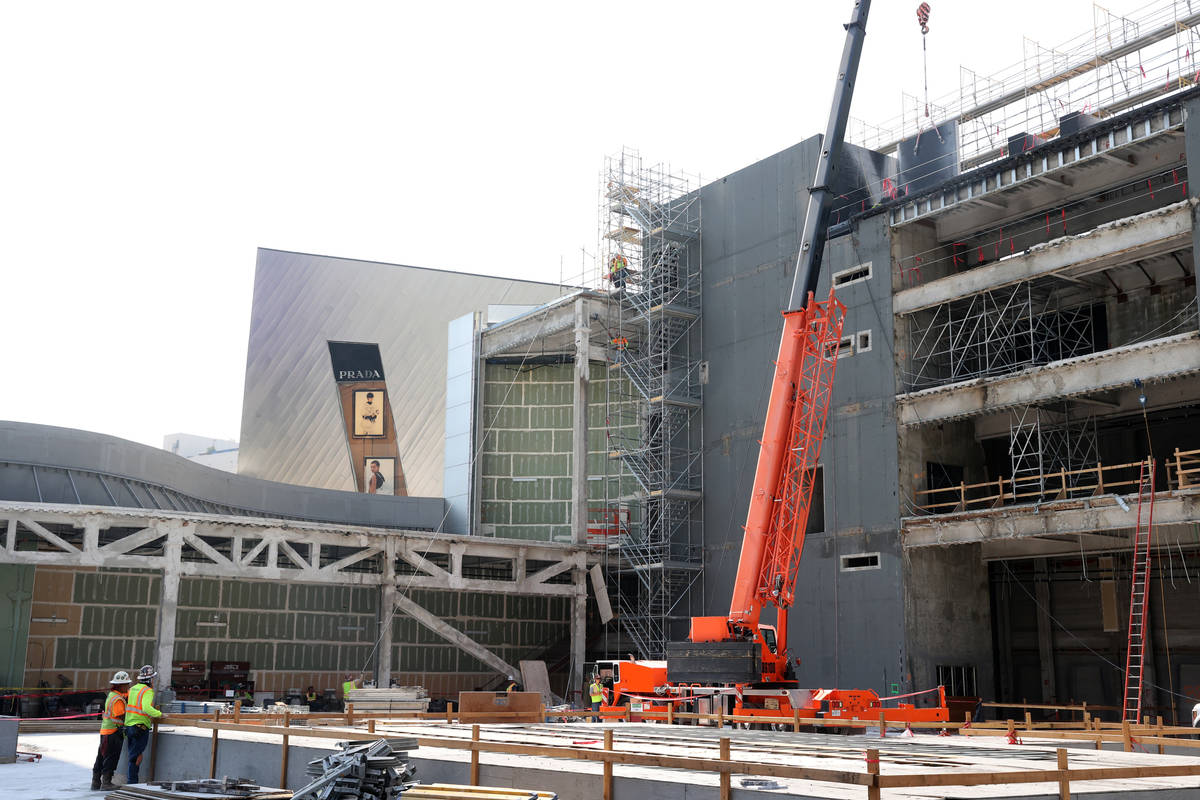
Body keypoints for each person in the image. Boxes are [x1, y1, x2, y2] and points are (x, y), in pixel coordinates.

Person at [91, 670, 131, 791]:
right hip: (113, 732)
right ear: (121, 685)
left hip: (106, 731)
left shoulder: (112, 695)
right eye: (127, 684)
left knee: (101, 757)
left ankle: (96, 782)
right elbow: (121, 716)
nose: (128, 686)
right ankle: (106, 783)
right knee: (111, 758)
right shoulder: (118, 699)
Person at [124, 664, 163, 785]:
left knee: (133, 755)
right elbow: (146, 708)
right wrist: (160, 714)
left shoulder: (133, 689)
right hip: (140, 727)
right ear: (149, 679)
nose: (153, 681)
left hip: (129, 726)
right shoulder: (147, 691)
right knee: (136, 757)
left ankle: (131, 781)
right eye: (152, 679)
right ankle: (132, 783)